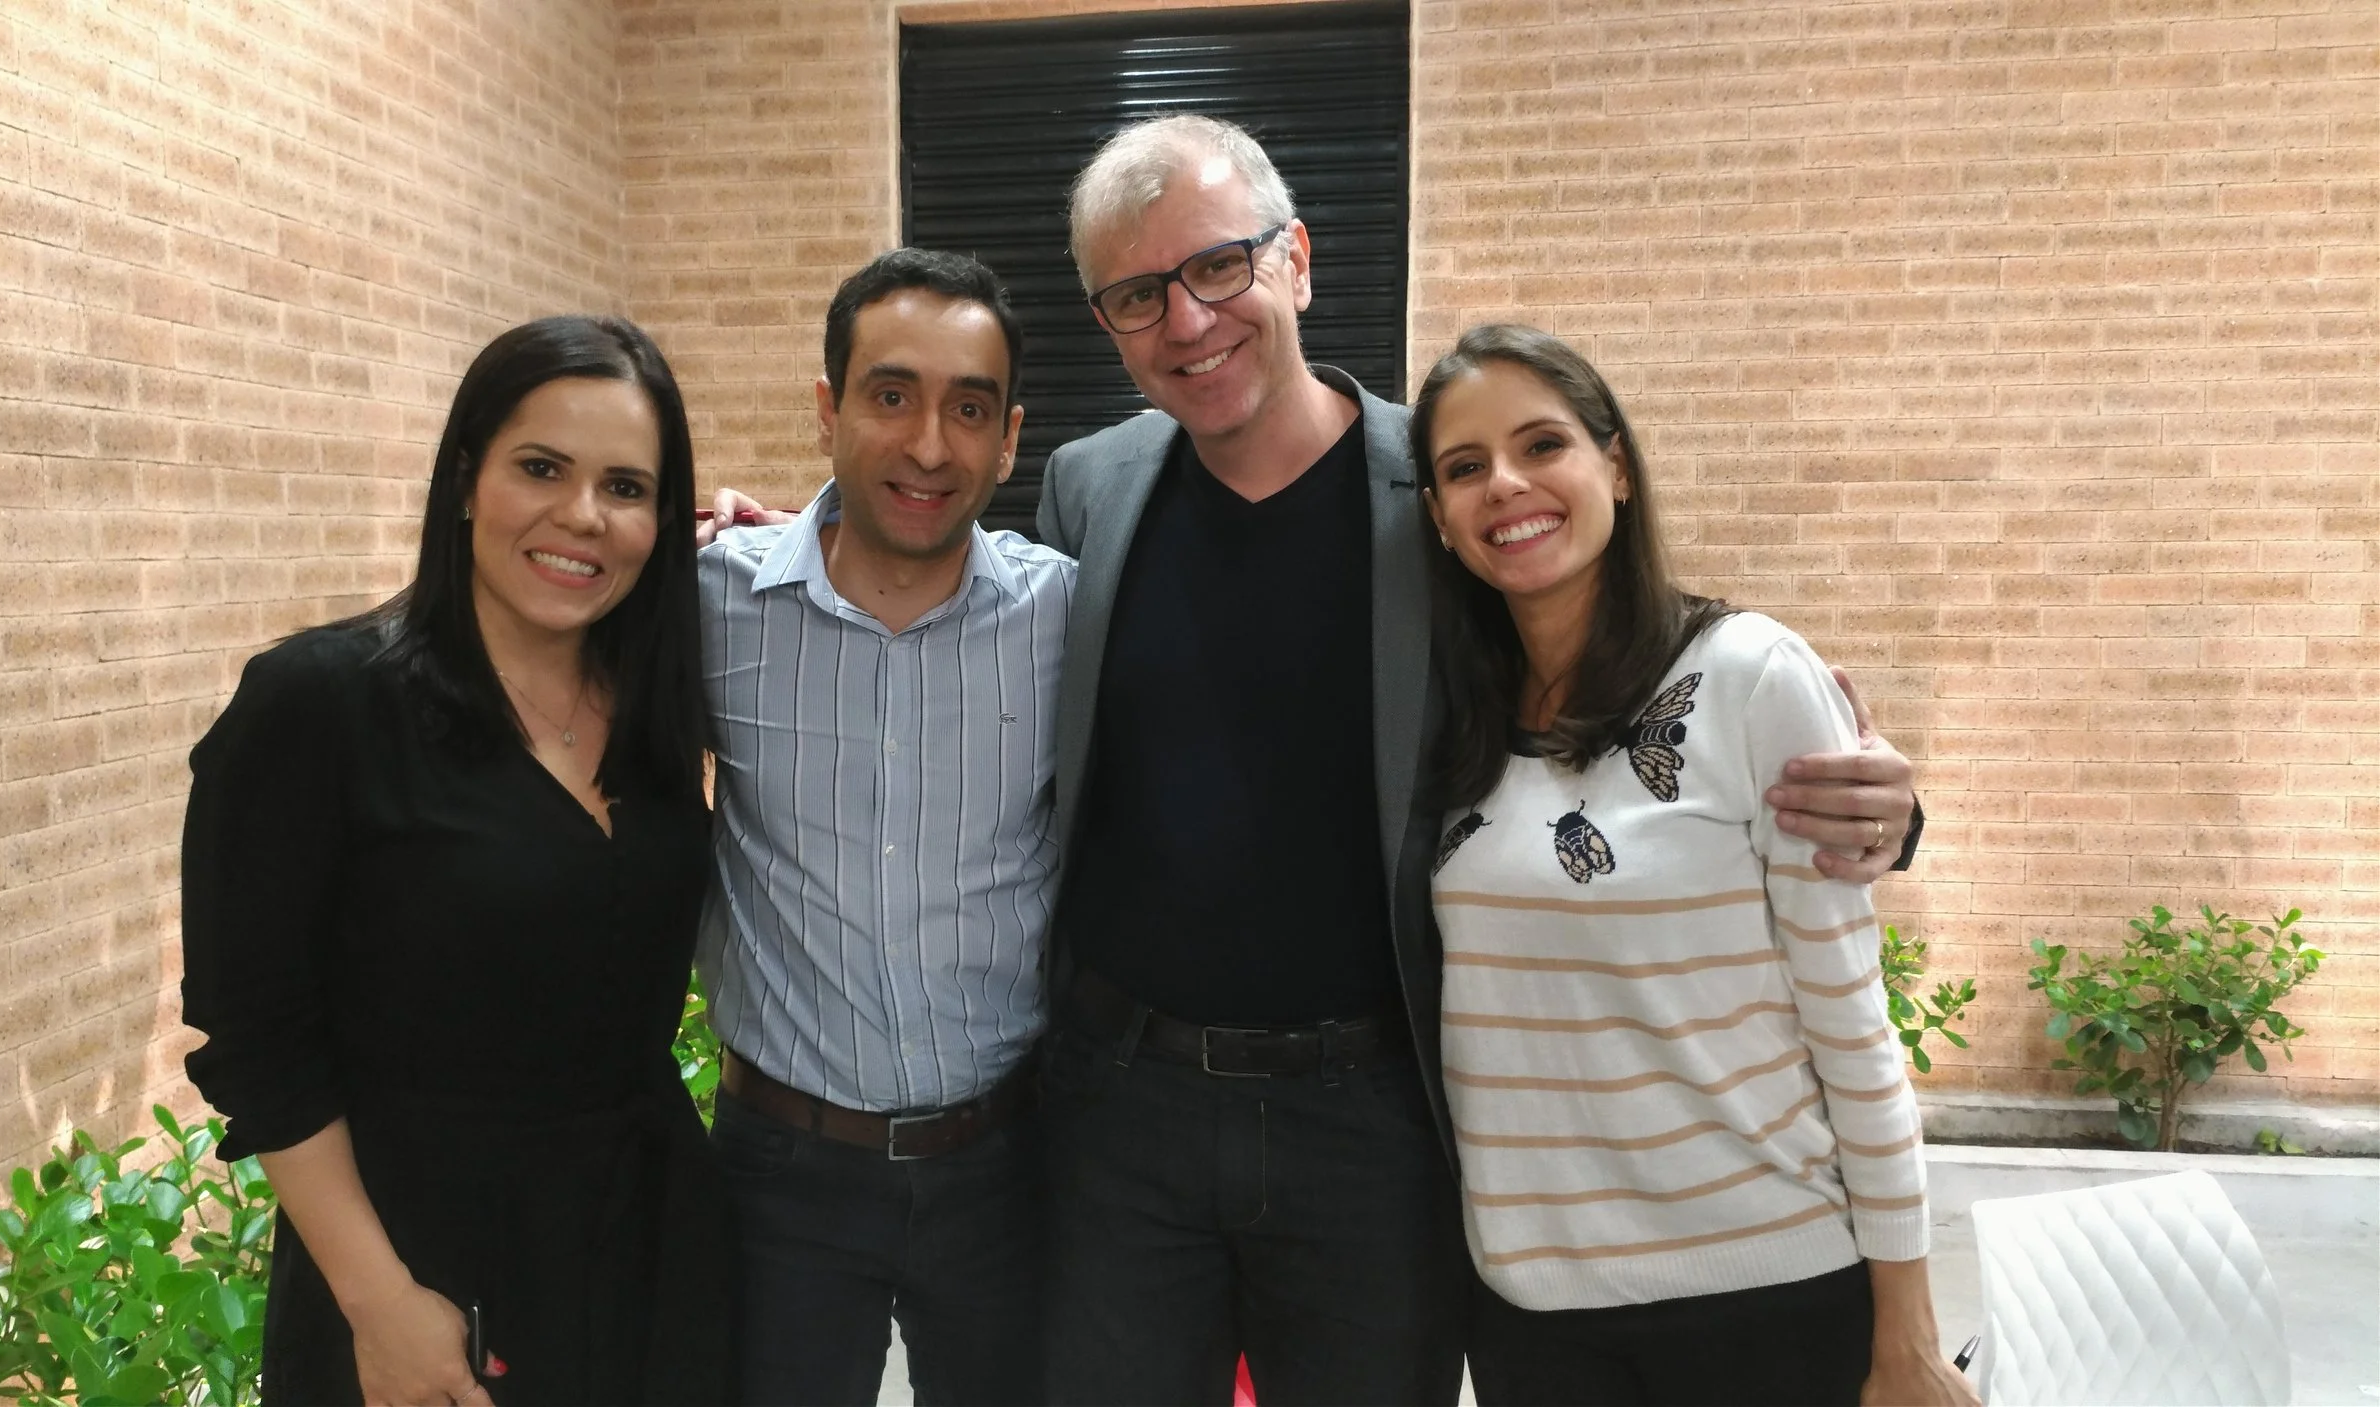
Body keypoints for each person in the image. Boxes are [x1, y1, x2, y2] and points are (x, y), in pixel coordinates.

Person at [696, 117, 1924, 1403]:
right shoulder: (1089, 487)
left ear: (1295, 258)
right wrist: (776, 528)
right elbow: (929, 577)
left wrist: (1872, 807)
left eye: (1218, 267)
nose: (1187, 321)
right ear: (1107, 325)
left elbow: (1614, 673)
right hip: (1124, 1110)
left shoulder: (1444, 486)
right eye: (1136, 295)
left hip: (1369, 1116)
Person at [1412, 324, 1973, 1407]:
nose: (1507, 486)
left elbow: (1849, 1024)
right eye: (1464, 467)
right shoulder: (1442, 722)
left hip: (1767, 1292)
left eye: (1543, 445)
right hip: (1534, 1316)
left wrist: (1905, 1330)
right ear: (1436, 517)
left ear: (1615, 466)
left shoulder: (1749, 675)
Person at [180, 316, 727, 1407]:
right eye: (541, 468)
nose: (582, 516)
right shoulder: (323, 705)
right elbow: (258, 1045)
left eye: (626, 487)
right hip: (420, 1266)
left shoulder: (662, 707)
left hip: (652, 1251)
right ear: (467, 479)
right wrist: (378, 1303)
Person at [695, 249, 1071, 1406]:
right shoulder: (707, 603)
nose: (928, 446)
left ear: (1010, 439)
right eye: (891, 395)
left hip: (1010, 1165)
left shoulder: (1069, 614)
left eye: (969, 409)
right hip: (782, 1172)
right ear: (828, 410)